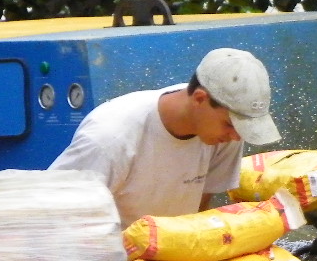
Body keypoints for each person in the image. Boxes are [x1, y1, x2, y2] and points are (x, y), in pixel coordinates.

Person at [49, 47, 281, 227]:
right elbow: (57, 216)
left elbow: (200, 210)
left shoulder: (224, 134)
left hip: (171, 258)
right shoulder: (110, 138)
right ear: (199, 99)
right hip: (109, 260)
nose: (236, 137)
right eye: (230, 125)